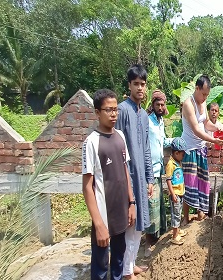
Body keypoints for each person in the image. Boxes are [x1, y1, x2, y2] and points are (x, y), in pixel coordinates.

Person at [82, 89, 136, 280]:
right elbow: (87, 187)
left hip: (122, 212)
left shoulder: (120, 136)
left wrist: (132, 203)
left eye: (115, 109)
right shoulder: (91, 142)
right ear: (97, 112)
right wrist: (98, 224)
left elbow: (126, 173)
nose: (113, 114)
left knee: (118, 262)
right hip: (104, 217)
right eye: (108, 110)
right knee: (100, 266)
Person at [115, 64, 154, 279]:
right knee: (129, 224)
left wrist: (149, 178)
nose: (140, 88)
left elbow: (146, 149)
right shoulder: (122, 110)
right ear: (129, 85)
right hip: (127, 177)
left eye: (143, 84)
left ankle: (130, 264)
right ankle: (125, 270)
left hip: (141, 178)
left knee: (138, 223)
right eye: (136, 84)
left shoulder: (144, 116)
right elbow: (117, 146)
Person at [181, 75, 223, 224]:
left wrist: (217, 128)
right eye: (203, 93)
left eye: (207, 94)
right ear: (197, 88)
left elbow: (206, 123)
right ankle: (186, 217)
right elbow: (196, 129)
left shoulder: (203, 102)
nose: (205, 97)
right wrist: (212, 139)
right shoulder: (188, 104)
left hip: (200, 149)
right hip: (190, 149)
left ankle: (200, 214)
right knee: (190, 183)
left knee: (202, 182)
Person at [145, 90, 172, 255]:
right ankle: (148, 244)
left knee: (158, 206)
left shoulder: (160, 122)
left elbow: (162, 141)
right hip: (150, 170)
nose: (160, 107)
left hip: (158, 169)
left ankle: (155, 239)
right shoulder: (147, 121)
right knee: (151, 207)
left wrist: (175, 141)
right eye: (157, 104)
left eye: (162, 104)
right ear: (153, 105)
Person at [165, 137, 188, 245]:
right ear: (176, 153)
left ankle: (177, 231)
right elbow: (168, 180)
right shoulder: (170, 164)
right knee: (176, 214)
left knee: (179, 212)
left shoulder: (177, 162)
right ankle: (175, 236)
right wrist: (173, 194)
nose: (183, 156)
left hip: (180, 192)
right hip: (175, 194)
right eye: (182, 154)